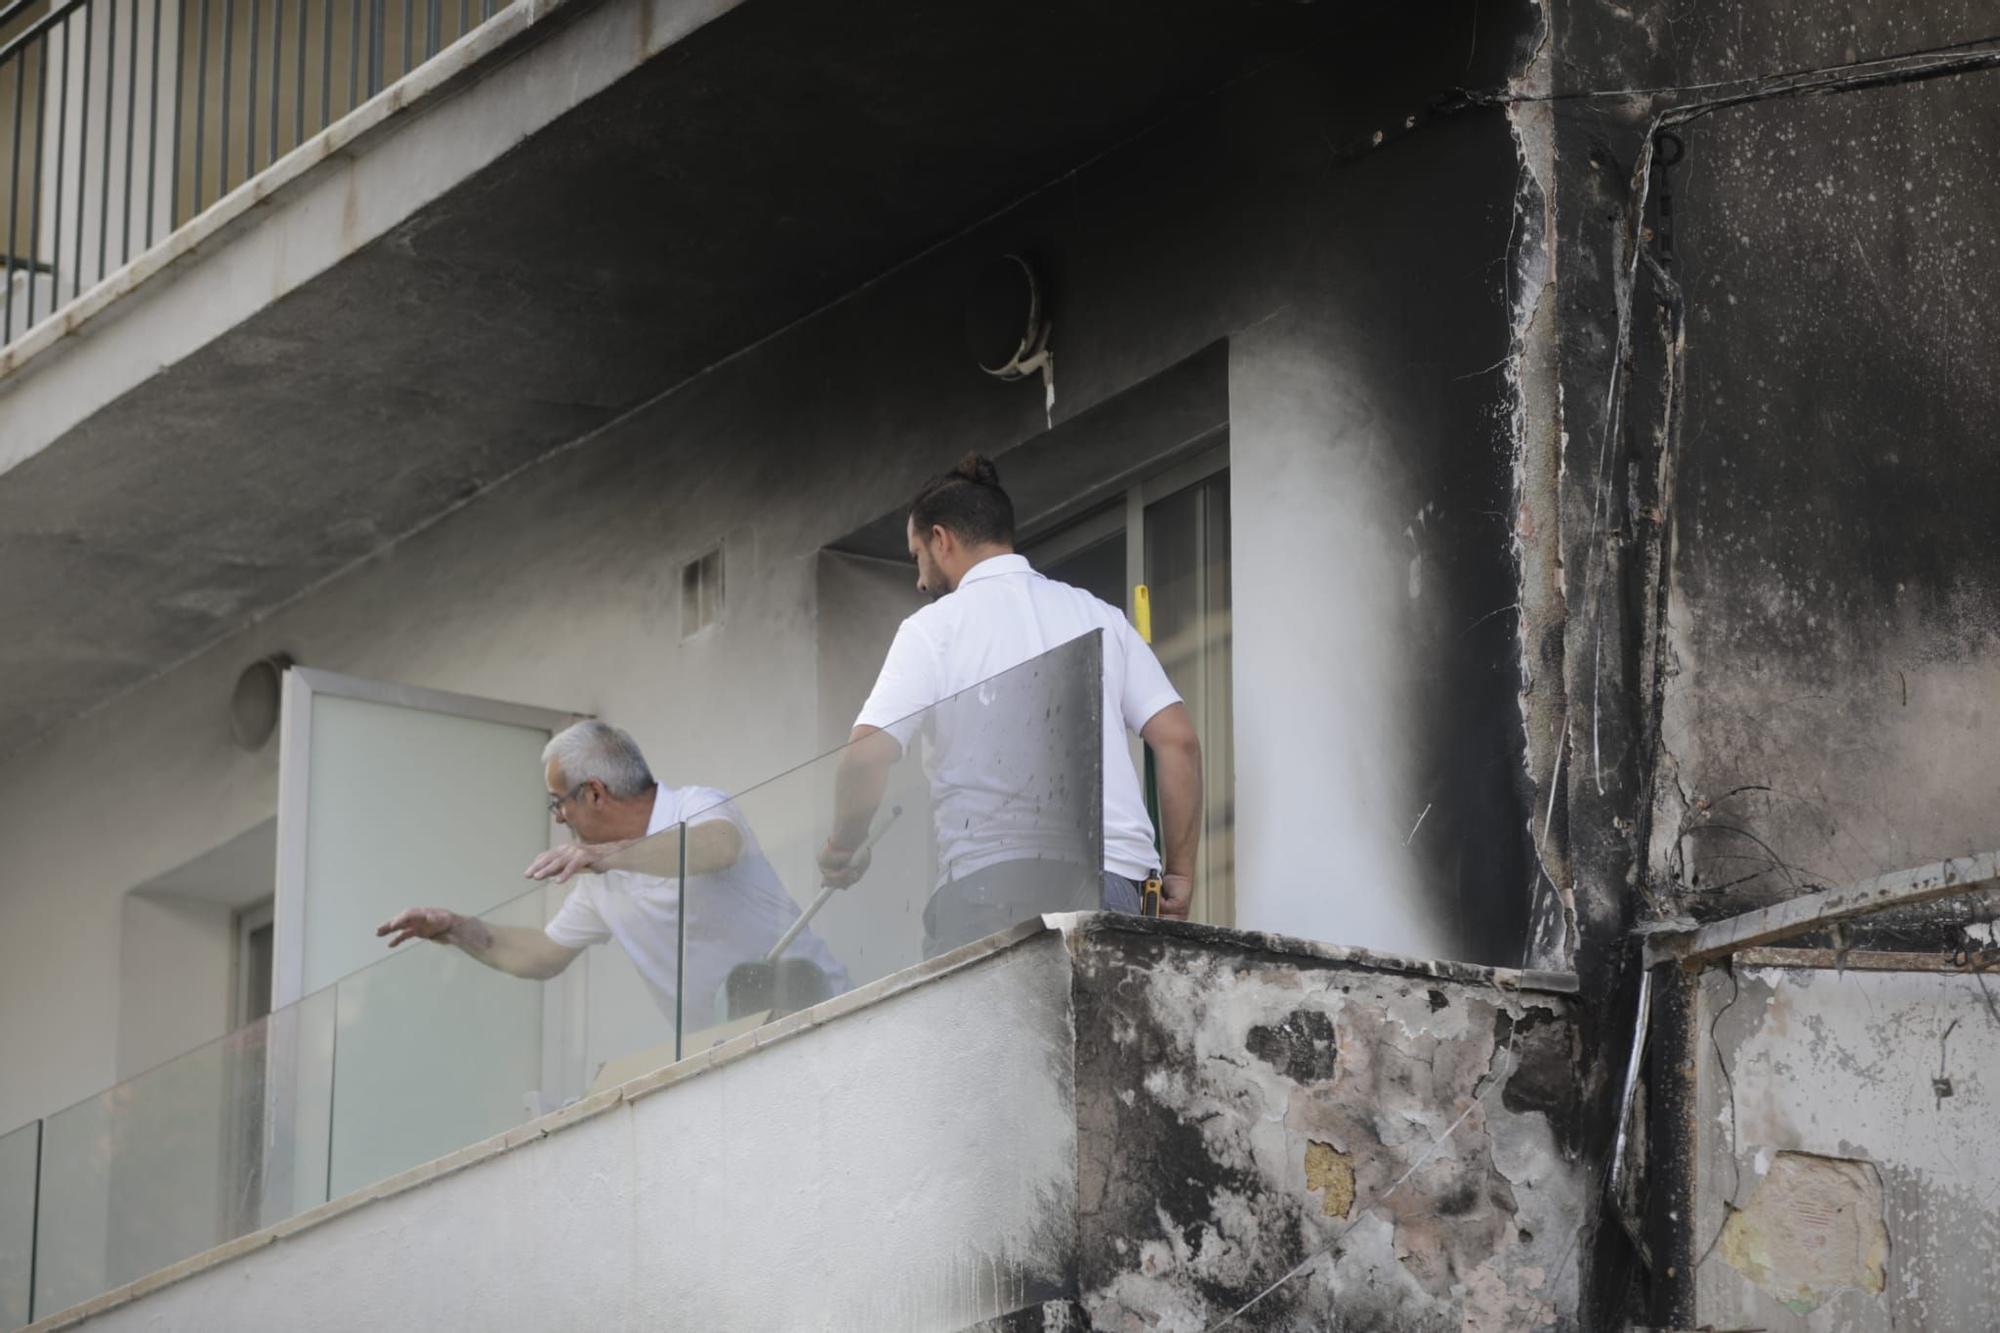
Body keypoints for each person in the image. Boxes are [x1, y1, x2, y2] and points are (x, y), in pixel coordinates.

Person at [820, 453, 1202, 955]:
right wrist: (1179, 872)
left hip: (990, 889)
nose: (918, 580)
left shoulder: (933, 630)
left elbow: (867, 754)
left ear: (942, 539)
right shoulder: (1099, 616)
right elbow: (1178, 742)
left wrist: (844, 845)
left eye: (916, 556)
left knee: (980, 1036)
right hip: (1116, 887)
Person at [379, 720, 847, 1024]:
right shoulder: (601, 881)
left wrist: (608, 856)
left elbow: (718, 846)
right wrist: (455, 928)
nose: (559, 819)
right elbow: (542, 954)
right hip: (729, 1051)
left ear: (595, 794)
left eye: (557, 804)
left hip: (820, 1012)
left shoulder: (696, 804)